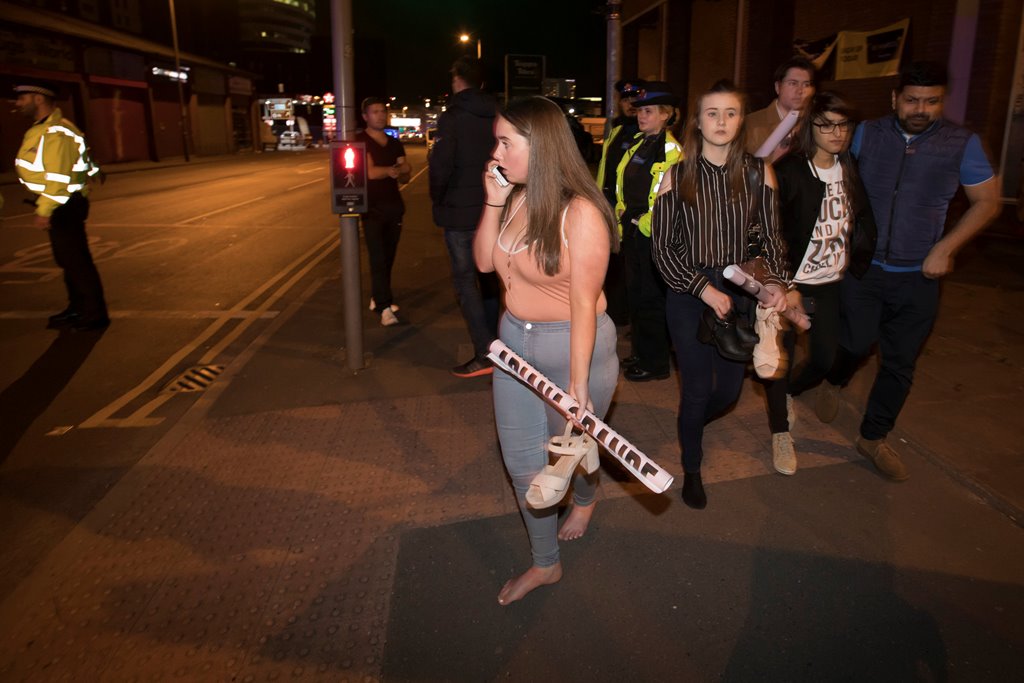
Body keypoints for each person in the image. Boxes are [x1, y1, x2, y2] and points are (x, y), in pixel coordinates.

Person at [816, 62, 999, 481]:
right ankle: (834, 381)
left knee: (900, 363)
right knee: (855, 342)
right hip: (863, 267)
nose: (921, 109)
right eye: (912, 100)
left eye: (931, 101)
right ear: (895, 99)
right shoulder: (866, 133)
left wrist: (946, 247)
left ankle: (874, 436)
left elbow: (987, 201)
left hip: (919, 275)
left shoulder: (961, 143)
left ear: (942, 102)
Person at [473, 96, 619, 605]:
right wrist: (493, 200)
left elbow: (583, 304)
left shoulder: (581, 213)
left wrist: (578, 385)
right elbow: (486, 265)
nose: (495, 151)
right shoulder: (513, 197)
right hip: (513, 344)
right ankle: (545, 564)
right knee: (522, 466)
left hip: (573, 346)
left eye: (505, 142)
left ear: (541, 147)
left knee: (567, 455)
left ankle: (587, 496)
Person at [651, 80, 789, 509]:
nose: (721, 121)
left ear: (741, 120)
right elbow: (662, 248)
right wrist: (703, 289)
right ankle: (692, 465)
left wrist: (776, 284)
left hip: (740, 289)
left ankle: (689, 424)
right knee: (695, 389)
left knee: (729, 391)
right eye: (712, 113)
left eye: (730, 113)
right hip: (688, 291)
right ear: (697, 121)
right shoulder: (677, 175)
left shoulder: (758, 171)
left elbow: (772, 239)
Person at [761, 91, 877, 475]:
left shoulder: (850, 167)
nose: (836, 133)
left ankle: (791, 394)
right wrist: (782, 281)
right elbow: (770, 230)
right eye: (826, 124)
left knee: (824, 359)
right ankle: (780, 433)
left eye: (843, 125)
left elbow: (859, 217)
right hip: (790, 284)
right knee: (780, 361)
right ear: (810, 128)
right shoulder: (792, 170)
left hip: (828, 283)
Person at [13, 82, 109, 331]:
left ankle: (93, 315)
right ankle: (77, 308)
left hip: (63, 204)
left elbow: (58, 177)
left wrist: (44, 210)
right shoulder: (47, 129)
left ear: (38, 99)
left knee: (76, 262)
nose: (18, 103)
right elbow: (81, 161)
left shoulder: (56, 132)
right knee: (69, 261)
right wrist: (95, 171)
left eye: (23, 98)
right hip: (63, 202)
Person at [429, 56, 500, 377]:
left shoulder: (452, 118)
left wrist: (439, 199)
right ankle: (499, 346)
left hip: (459, 211)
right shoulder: (499, 114)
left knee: (464, 281)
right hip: (493, 208)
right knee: (489, 278)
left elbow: (440, 167)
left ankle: (485, 352)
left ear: (458, 80)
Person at [614, 81, 682, 381]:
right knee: (637, 297)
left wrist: (643, 223)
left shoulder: (672, 151)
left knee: (651, 299)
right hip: (632, 232)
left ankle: (655, 363)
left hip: (652, 236)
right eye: (640, 110)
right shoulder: (640, 143)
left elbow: (672, 200)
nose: (641, 115)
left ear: (666, 115)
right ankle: (641, 354)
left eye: (649, 111)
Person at [357, 97, 411, 326]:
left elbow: (405, 170)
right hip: (372, 208)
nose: (380, 115)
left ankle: (377, 297)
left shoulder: (394, 142)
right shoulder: (360, 141)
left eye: (382, 111)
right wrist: (392, 169)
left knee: (388, 258)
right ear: (365, 116)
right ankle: (385, 307)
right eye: (375, 111)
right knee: (377, 258)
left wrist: (404, 169)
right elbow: (369, 172)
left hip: (394, 207)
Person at [596, 78, 644, 327]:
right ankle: (615, 315)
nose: (631, 104)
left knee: (629, 270)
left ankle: (626, 319)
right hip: (608, 208)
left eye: (636, 99)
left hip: (629, 213)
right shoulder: (616, 130)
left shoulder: (645, 133)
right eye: (626, 99)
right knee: (613, 265)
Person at [745, 57, 816, 163]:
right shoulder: (750, 124)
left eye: (806, 85)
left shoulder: (815, 123)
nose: (800, 91)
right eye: (793, 83)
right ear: (778, 87)